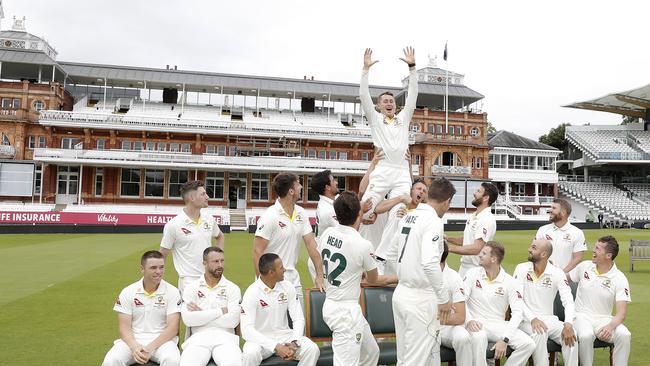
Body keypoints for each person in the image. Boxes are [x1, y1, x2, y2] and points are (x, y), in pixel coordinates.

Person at [319, 191, 398, 366]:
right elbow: (374, 280)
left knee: (371, 352)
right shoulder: (363, 245)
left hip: (334, 304)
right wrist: (400, 277)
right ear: (359, 213)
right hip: (345, 312)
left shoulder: (327, 233)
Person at [393, 177, 456, 365]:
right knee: (416, 360)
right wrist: (444, 298)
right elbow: (429, 263)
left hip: (401, 293)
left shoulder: (409, 215)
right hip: (419, 298)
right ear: (447, 202)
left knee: (405, 357)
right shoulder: (433, 220)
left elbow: (392, 248)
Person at [358, 47, 418, 220]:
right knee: (367, 210)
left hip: (401, 172)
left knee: (400, 213)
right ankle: (368, 245)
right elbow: (363, 95)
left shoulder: (403, 118)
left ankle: (391, 247)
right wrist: (365, 70)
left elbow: (413, 94)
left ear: (396, 105)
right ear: (379, 106)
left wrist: (412, 67)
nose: (389, 103)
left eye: (392, 101)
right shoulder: (375, 119)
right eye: (385, 101)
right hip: (382, 170)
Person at [253, 173, 325, 305]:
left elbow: (311, 245)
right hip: (271, 278)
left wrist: (319, 276)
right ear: (291, 191)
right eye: (298, 184)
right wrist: (262, 283)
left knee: (299, 321)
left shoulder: (301, 213)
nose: (301, 187)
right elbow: (258, 251)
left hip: (292, 278)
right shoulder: (270, 216)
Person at [101, 250, 181, 366]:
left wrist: (149, 348)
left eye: (161, 267)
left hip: (162, 342)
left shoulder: (173, 292)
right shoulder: (128, 292)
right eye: (153, 268)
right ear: (142, 269)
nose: (158, 272)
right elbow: (124, 328)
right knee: (111, 361)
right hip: (133, 340)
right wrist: (135, 347)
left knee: (172, 360)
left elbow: (173, 329)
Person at [241, 254, 320, 366]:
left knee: (312, 349)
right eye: (281, 267)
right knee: (250, 353)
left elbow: (298, 318)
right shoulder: (252, 292)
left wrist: (295, 342)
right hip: (261, 340)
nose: (285, 270)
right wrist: (276, 346)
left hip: (285, 336)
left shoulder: (288, 286)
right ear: (271, 272)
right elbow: (246, 330)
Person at [464, 242, 535, 366]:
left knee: (528, 344)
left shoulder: (510, 282)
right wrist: (469, 320)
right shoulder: (472, 274)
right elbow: (461, 300)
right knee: (479, 337)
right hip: (475, 323)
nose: (480, 255)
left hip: (498, 325)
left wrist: (505, 339)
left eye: (484, 253)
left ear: (493, 259)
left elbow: (518, 313)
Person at [513, 240, 578, 366]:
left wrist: (568, 323)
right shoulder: (521, 268)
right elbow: (517, 299)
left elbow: (568, 300)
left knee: (572, 335)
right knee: (540, 333)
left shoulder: (557, 272)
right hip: (525, 320)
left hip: (549, 320)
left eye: (533, 247)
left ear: (543, 254)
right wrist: (533, 318)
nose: (529, 249)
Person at [569, 236, 631, 366]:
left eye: (597, 248)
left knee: (625, 335)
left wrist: (610, 327)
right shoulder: (585, 266)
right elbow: (565, 278)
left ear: (608, 255)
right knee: (586, 335)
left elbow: (621, 313)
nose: (593, 250)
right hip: (581, 317)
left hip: (604, 319)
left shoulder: (619, 277)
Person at [179, 247, 242, 366]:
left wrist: (201, 314)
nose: (220, 265)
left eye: (222, 261)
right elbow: (188, 320)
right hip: (198, 339)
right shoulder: (191, 288)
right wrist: (221, 311)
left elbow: (233, 321)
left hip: (226, 338)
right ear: (204, 263)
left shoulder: (232, 288)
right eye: (215, 261)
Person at [160, 180, 225, 292]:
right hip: (189, 283)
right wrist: (158, 280)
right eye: (203, 194)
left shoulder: (209, 219)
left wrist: (217, 258)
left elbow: (220, 236)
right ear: (192, 197)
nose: (207, 197)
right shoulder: (173, 225)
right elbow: (162, 255)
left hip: (212, 277)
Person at [373, 178, 428, 275]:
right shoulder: (398, 205)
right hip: (382, 260)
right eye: (419, 188)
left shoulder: (420, 216)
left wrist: (407, 219)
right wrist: (401, 198)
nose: (421, 192)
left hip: (400, 265)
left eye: (424, 191)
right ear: (410, 190)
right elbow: (377, 208)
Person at [433, 243, 474, 366]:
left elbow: (460, 317)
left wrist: (433, 317)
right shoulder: (419, 274)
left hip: (444, 326)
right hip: (423, 325)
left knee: (463, 337)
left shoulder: (454, 277)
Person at [446, 182, 499, 276]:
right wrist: (447, 238)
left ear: (486, 198)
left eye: (478, 191)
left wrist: (448, 248)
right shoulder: (474, 215)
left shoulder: (486, 218)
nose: (474, 193)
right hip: (464, 267)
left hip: (476, 269)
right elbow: (467, 240)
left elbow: (476, 248)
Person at [535, 198, 586, 272]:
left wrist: (561, 274)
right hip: (544, 276)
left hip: (567, 279)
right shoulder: (542, 230)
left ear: (563, 213)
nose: (550, 210)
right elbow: (535, 252)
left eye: (554, 208)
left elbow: (578, 258)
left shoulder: (577, 232)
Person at [307, 169, 339, 282]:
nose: (337, 182)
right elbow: (346, 231)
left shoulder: (332, 202)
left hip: (327, 256)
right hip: (322, 260)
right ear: (328, 187)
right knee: (328, 297)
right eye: (333, 180)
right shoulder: (328, 210)